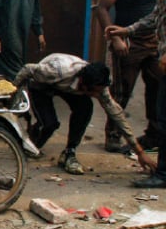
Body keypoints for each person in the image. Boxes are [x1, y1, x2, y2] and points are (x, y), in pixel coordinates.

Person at [13, 53, 155, 176]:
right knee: (49, 124)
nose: (98, 95)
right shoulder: (56, 71)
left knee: (86, 108)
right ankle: (29, 141)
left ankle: (69, 152)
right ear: (83, 83)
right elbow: (27, 69)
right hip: (42, 85)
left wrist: (139, 151)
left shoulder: (100, 86)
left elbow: (116, 114)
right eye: (94, 92)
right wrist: (12, 93)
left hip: (69, 87)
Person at [106, 0, 166, 188]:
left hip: (161, 52)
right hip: (148, 46)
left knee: (163, 115)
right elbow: (157, 16)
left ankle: (163, 175)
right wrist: (126, 31)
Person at [94, 0, 162, 153]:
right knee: (121, 92)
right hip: (128, 43)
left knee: (156, 90)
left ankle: (153, 135)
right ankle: (113, 135)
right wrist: (114, 38)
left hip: (154, 42)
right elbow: (102, 8)